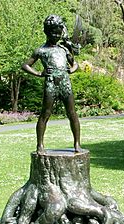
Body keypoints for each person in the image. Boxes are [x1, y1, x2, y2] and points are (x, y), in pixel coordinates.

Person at [22, 15, 81, 154]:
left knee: (72, 114)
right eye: (53, 32)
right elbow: (25, 65)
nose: (56, 35)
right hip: (51, 84)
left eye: (58, 32)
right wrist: (39, 73)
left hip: (65, 84)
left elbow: (75, 64)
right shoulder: (41, 50)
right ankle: (40, 145)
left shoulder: (64, 49)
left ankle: (77, 144)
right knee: (45, 114)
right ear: (47, 32)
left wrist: (71, 70)